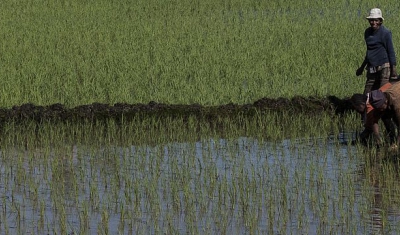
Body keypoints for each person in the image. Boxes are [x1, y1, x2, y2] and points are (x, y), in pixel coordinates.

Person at [356, 8, 397, 95]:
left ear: (381, 21)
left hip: (384, 66)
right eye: (371, 20)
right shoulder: (367, 32)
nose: (374, 23)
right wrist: (362, 67)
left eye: (376, 20)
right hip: (372, 66)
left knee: (383, 93)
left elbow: (391, 51)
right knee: (367, 94)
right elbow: (369, 51)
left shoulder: (385, 33)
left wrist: (393, 70)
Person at [351, 82, 396, 147]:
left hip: (394, 94)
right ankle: (393, 139)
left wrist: (357, 140)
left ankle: (393, 140)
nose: (357, 111)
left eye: (357, 108)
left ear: (361, 104)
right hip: (393, 87)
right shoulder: (371, 96)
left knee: (386, 117)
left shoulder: (370, 106)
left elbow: (369, 128)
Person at [368, 82, 400, 149]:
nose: (380, 110)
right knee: (384, 115)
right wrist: (378, 139)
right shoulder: (379, 100)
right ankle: (392, 137)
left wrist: (396, 145)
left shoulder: (397, 104)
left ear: (385, 101)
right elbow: (374, 121)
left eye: (380, 107)